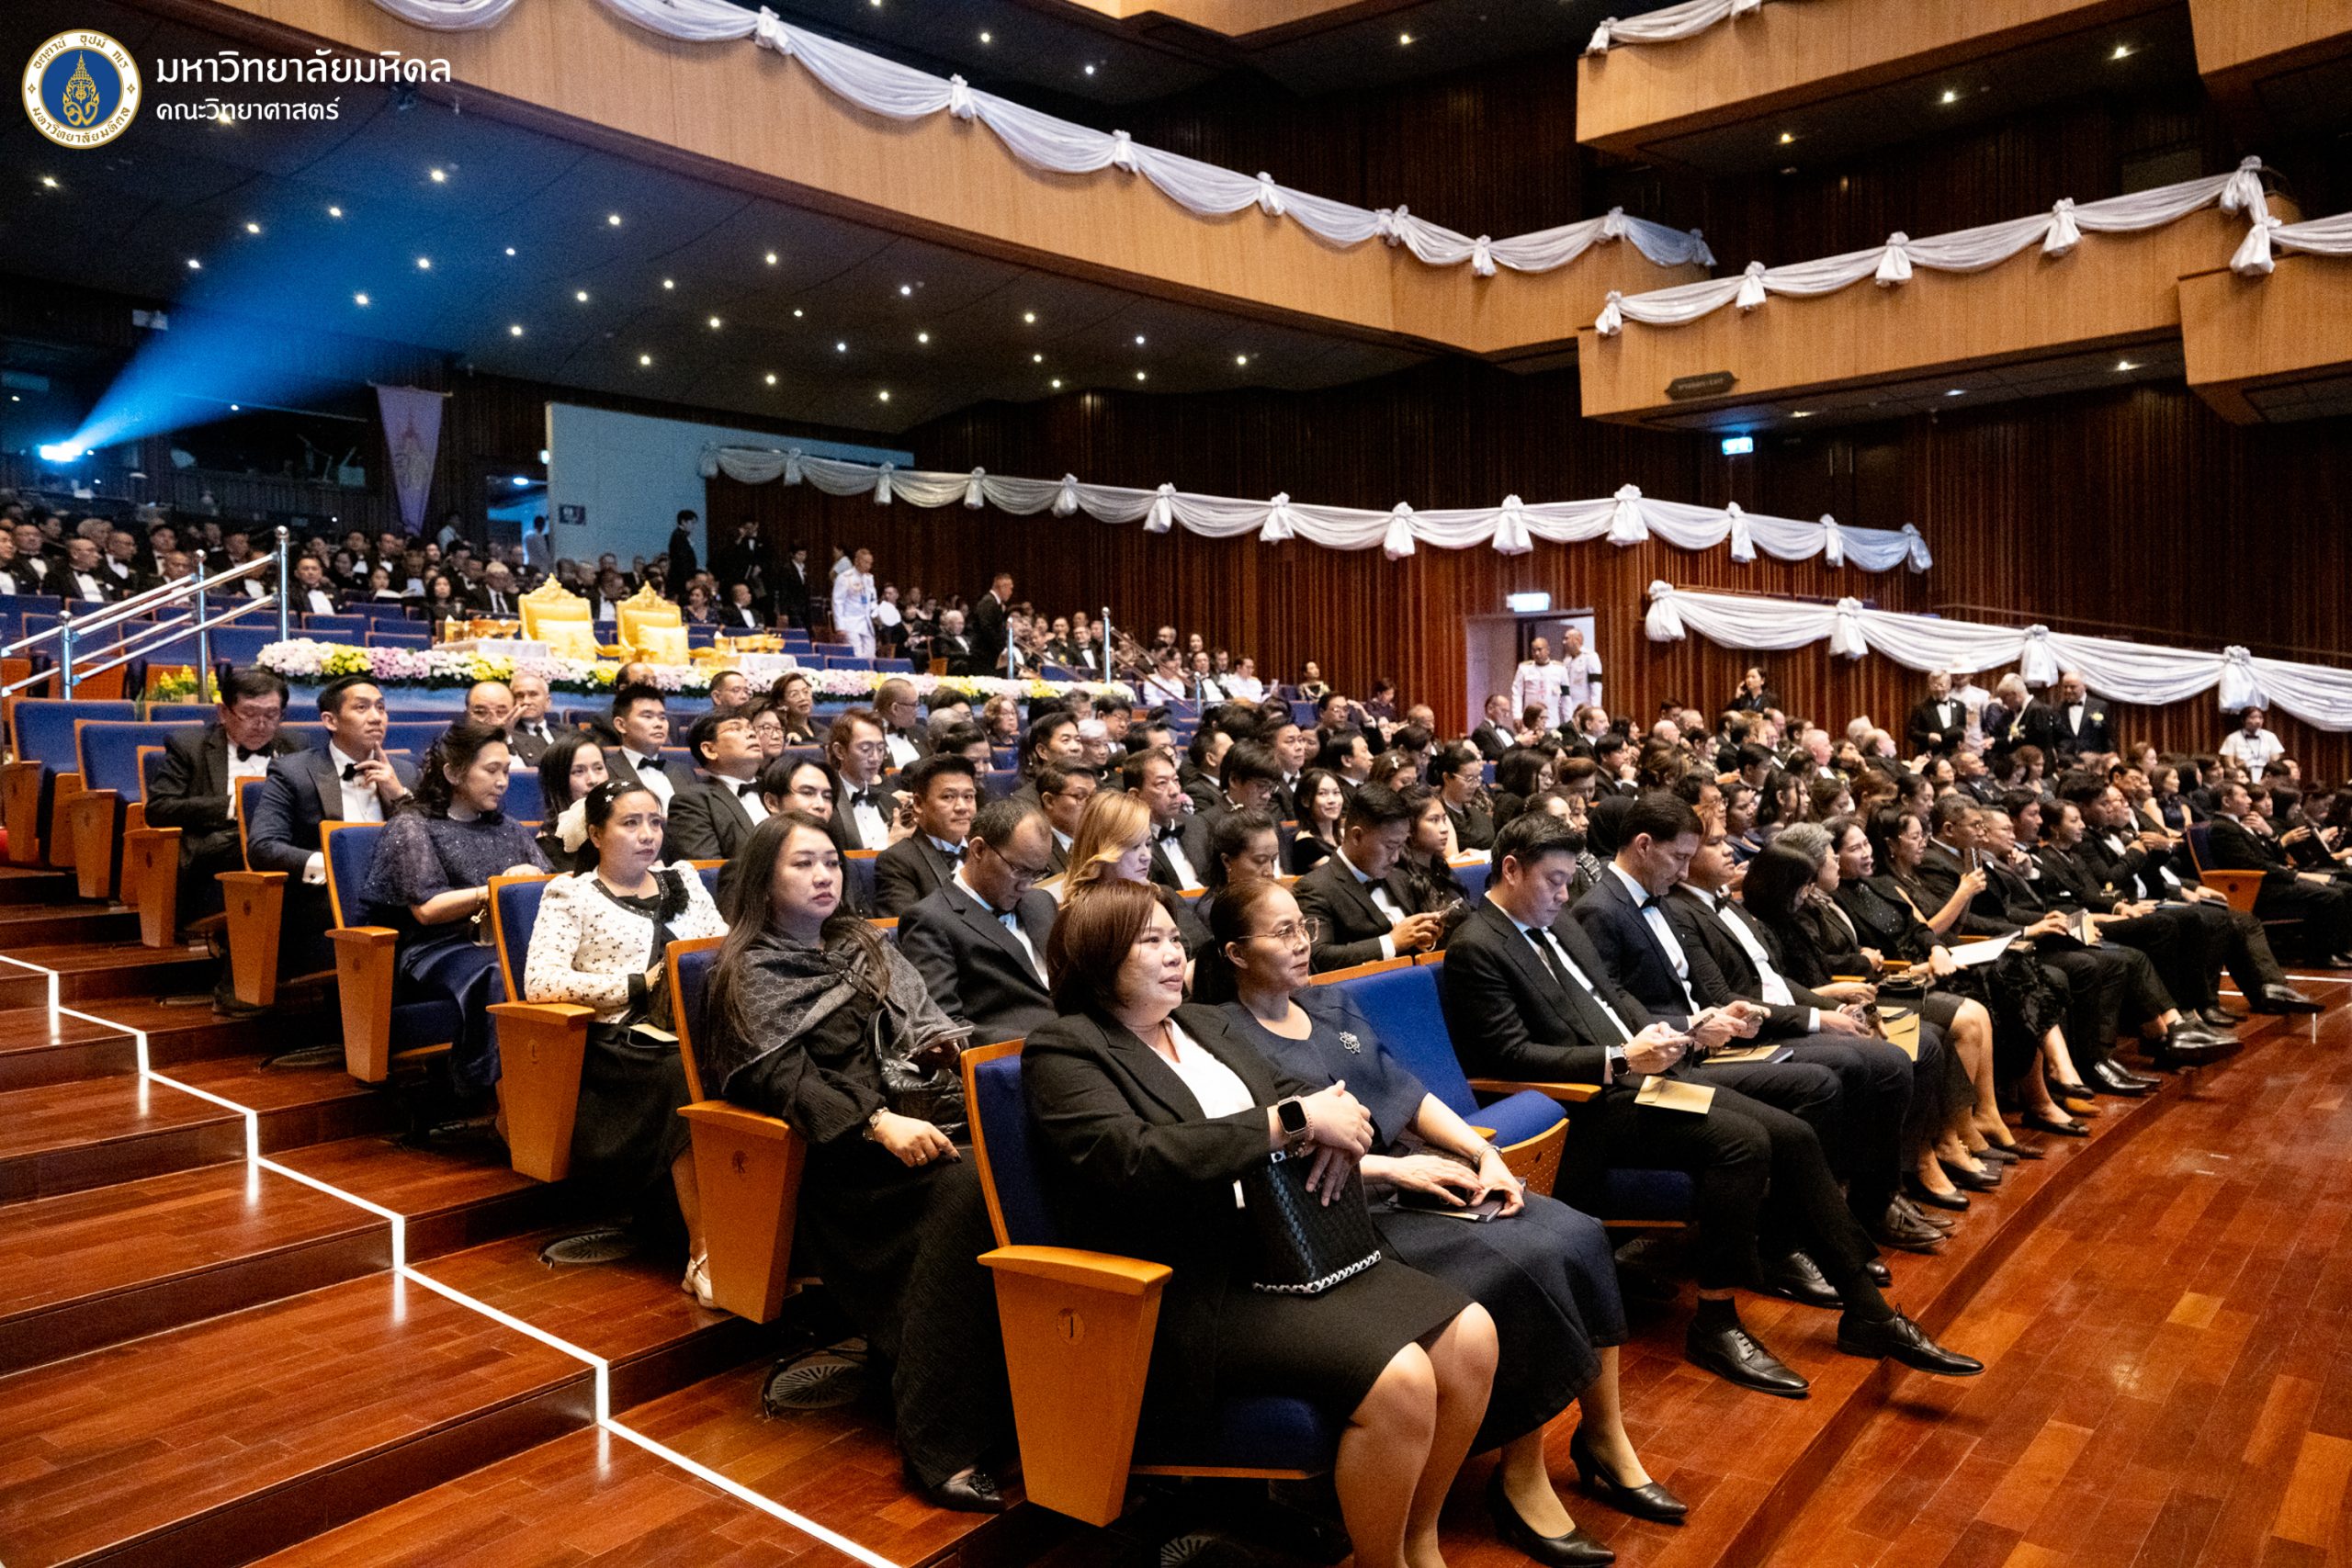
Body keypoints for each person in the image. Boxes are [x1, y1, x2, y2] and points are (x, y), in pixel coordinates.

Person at [1024, 881, 1500, 1568]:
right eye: (1151, 941)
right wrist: (1294, 1123)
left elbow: (1293, 1095)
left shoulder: (1203, 1025)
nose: (1174, 954)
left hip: (1290, 1251)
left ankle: (1419, 1543)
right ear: (1099, 956)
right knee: (1402, 1379)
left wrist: (1339, 1118)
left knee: (1473, 1336)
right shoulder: (1066, 1048)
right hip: (1196, 1287)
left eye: (1175, 938)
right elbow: (1132, 1156)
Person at [1443, 812, 1983, 1397]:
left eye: (1569, 879)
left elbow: (1613, 997)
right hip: (1587, 1109)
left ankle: (1867, 1311)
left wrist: (1686, 1028)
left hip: (1645, 1078)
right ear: (1511, 870)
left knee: (1794, 1133)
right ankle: (1716, 1321)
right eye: (1553, 880)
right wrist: (1620, 1058)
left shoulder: (1560, 924)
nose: (1563, 893)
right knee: (1743, 1142)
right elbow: (1509, 1055)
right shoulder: (1477, 946)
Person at [1214, 878, 1684, 1541]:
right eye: (1282, 931)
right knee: (1519, 1264)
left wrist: (1483, 1153)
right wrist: (1393, 1169)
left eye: (1304, 928)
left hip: (1410, 1182)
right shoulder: (1222, 1034)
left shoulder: (1329, 1004)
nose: (1302, 943)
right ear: (1236, 952)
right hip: (1341, 1215)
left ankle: (1605, 1435)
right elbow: (1265, 1158)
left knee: (1575, 1232)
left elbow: (1407, 1096)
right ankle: (1523, 1475)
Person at [701, 813, 1013, 1510]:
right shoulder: (746, 970)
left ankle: (1025, 1398)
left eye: (831, 863)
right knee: (972, 1189)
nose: (824, 876)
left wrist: (940, 1051)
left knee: (1022, 1161)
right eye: (803, 864)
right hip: (842, 1165)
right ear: (763, 881)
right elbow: (783, 1083)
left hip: (923, 1125)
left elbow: (920, 1026)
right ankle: (938, 1438)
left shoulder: (862, 943)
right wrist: (877, 1122)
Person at [521, 779, 726, 1296]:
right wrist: (636, 984)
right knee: (684, 1078)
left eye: (654, 822)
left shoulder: (683, 879)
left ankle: (764, 1234)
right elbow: (539, 982)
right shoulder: (570, 894)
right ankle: (705, 1251)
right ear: (596, 834)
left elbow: (722, 946)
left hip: (695, 1026)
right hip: (617, 1045)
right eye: (630, 824)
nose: (647, 835)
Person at [359, 722, 549, 1095]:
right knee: (502, 972)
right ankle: (491, 1088)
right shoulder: (413, 826)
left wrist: (533, 878)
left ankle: (546, 1084)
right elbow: (428, 909)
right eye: (491, 771)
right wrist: (496, 889)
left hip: (500, 940)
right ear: (453, 773)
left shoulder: (507, 827)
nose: (502, 782)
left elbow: (546, 880)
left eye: (506, 771)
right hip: (437, 946)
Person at [247, 676, 421, 976]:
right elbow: (263, 847)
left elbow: (433, 842)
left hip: (397, 891)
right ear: (330, 720)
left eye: (381, 708)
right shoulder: (293, 772)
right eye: (362, 708)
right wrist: (336, 868)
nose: (376, 717)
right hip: (325, 898)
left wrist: (400, 796)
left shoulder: (404, 773)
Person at [144, 667, 305, 942]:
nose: (261, 725)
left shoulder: (295, 744)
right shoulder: (189, 745)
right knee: (267, 846)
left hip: (282, 839)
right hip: (217, 844)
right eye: (249, 714)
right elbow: (159, 808)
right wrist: (235, 807)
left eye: (271, 715)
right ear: (223, 712)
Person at [896, 800, 1057, 1044]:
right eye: (1019, 870)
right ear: (979, 850)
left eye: (1037, 873)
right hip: (1018, 1054)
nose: (1026, 885)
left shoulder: (1042, 902)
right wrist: (1042, 1041)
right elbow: (945, 1027)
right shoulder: (930, 919)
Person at [1295, 784, 1445, 972]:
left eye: (1401, 846)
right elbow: (1317, 957)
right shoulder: (1314, 888)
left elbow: (1413, 945)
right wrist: (1391, 942)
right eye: (1390, 846)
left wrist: (1423, 937)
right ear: (1357, 836)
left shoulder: (1399, 877)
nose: (1396, 857)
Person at [874, 754, 978, 917]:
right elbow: (908, 926)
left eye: (968, 797)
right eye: (948, 797)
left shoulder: (986, 851)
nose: (962, 807)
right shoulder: (897, 861)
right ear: (918, 803)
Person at [667, 709, 770, 862]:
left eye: (751, 728)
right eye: (735, 728)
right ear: (709, 750)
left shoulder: (780, 787)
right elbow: (708, 870)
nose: (751, 734)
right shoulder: (692, 802)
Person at [822, 707, 909, 852]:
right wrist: (890, 846)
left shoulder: (890, 803)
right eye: (865, 749)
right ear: (840, 751)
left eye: (880, 749)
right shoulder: (826, 805)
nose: (875, 758)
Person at [536, 729, 612, 874]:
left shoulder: (626, 829)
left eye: (598, 768)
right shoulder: (547, 846)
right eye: (579, 771)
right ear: (559, 781)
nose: (593, 780)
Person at [600, 684, 675, 810]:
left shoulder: (685, 771)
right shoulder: (604, 772)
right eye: (647, 716)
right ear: (621, 725)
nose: (659, 724)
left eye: (662, 717)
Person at [1035, 762, 1095, 874]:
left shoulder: (1105, 835)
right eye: (1080, 796)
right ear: (1049, 801)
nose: (1091, 804)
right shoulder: (1034, 848)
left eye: (1093, 796)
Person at [1434, 743, 1493, 852]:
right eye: (1469, 779)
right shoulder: (1437, 813)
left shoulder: (1476, 811)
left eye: (1477, 778)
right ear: (1447, 778)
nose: (1475, 785)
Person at [1289, 767, 1348, 874]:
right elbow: (1341, 875)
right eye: (1322, 793)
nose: (1332, 800)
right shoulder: (1305, 843)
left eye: (1336, 792)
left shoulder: (1344, 835)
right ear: (1305, 801)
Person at [831, 547, 878, 658]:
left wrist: (876, 613)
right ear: (857, 561)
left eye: (870, 563)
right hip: (850, 622)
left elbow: (872, 599)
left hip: (866, 623)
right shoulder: (845, 577)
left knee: (871, 656)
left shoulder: (869, 579)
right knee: (857, 655)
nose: (868, 566)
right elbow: (838, 602)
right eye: (865, 562)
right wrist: (840, 627)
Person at [1905, 671, 1966, 758]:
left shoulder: (1960, 706)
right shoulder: (1920, 708)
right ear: (1929, 686)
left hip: (1954, 753)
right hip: (1930, 754)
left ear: (1949, 685)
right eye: (1935, 685)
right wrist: (1928, 736)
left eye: (1942, 685)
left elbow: (1962, 727)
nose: (1938, 689)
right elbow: (1911, 732)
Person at [505, 672, 558, 766]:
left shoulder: (568, 732)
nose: (526, 701)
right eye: (519, 696)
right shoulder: (508, 736)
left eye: (533, 694)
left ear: (547, 702)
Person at [2220, 706, 2286, 772]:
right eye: (2252, 717)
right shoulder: (2232, 738)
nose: (2258, 721)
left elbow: (2276, 761)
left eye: (2260, 718)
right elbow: (2229, 764)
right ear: (2243, 720)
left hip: (2266, 773)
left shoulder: (2270, 736)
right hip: (2244, 773)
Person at [769, 671, 825, 746]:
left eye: (806, 692)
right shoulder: (781, 733)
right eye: (794, 694)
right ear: (781, 702)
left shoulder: (824, 731)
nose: (803, 698)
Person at [665, 510, 699, 599]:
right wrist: (687, 579)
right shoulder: (678, 537)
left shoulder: (680, 536)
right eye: (692, 523)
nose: (693, 526)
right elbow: (681, 561)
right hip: (681, 581)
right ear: (683, 522)